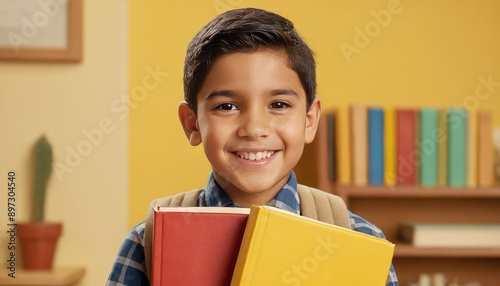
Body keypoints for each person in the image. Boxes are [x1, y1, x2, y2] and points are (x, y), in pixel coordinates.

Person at [107, 7, 398, 286]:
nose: (255, 129)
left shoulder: (362, 240)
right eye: (227, 106)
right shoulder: (148, 243)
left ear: (309, 120)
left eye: (279, 104)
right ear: (192, 124)